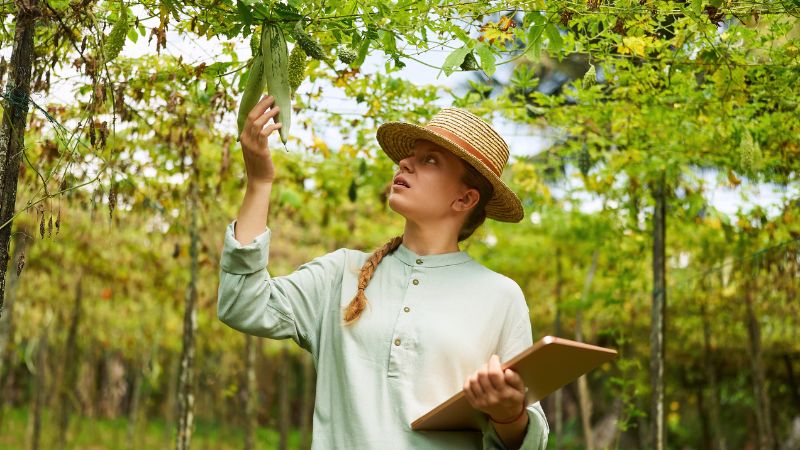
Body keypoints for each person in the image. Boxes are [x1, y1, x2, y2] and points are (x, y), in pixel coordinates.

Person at [217, 95, 550, 449]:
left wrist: (508, 414)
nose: (404, 163)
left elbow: (530, 441)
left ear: (464, 200)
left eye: (430, 160)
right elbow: (242, 303)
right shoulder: (340, 273)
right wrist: (259, 182)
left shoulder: (501, 296)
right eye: (411, 155)